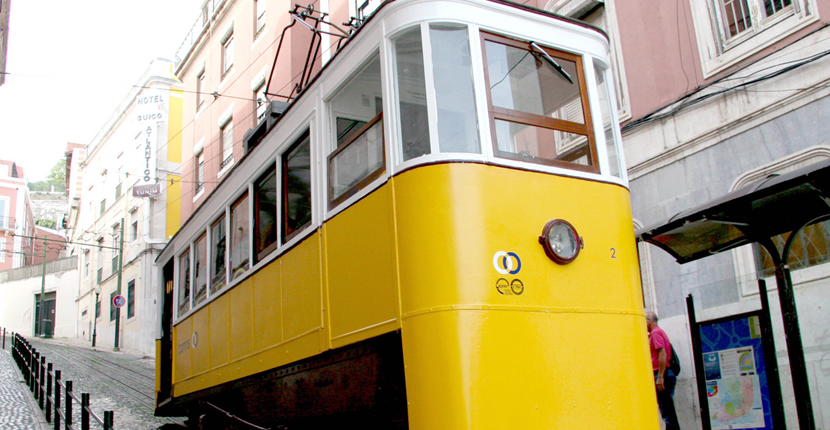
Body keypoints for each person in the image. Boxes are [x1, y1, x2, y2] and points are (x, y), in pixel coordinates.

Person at [646, 312, 680, 430]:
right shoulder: (659, 332)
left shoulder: (655, 333)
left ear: (649, 320)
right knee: (667, 409)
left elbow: (662, 354)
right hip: (666, 373)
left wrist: (660, 376)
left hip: (663, 373)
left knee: (666, 410)